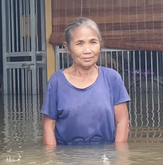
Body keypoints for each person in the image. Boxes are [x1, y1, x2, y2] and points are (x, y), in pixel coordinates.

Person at [41, 18, 130, 146]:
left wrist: (120, 159)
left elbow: (122, 122)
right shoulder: (57, 82)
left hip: (104, 159)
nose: (87, 50)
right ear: (67, 47)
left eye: (93, 42)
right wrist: (53, 161)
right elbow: (48, 126)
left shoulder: (112, 78)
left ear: (100, 44)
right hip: (68, 158)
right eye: (79, 43)